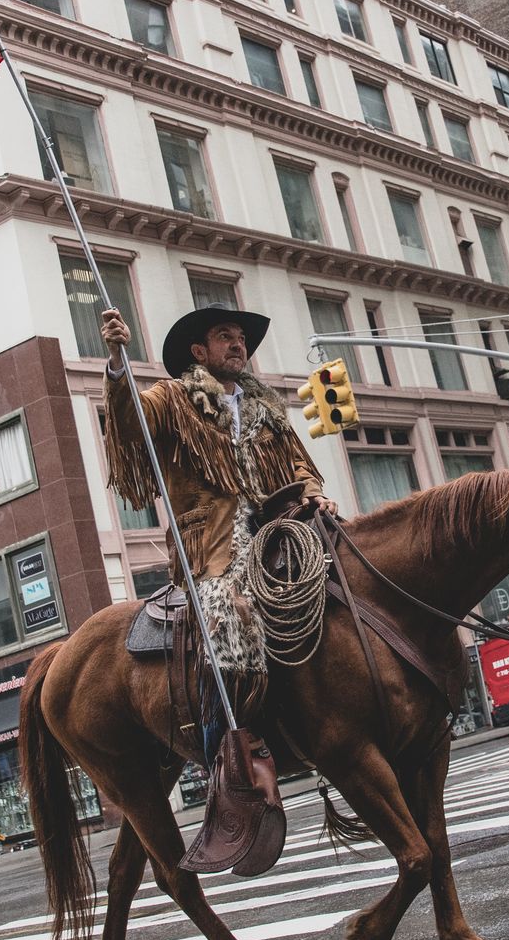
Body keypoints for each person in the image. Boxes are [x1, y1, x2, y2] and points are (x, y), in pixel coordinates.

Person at [98, 303, 339, 744]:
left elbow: (297, 466)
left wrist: (313, 494)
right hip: (212, 542)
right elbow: (129, 421)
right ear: (199, 350)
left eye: (242, 339)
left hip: (276, 524)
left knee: (339, 571)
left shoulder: (264, 406)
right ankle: (226, 747)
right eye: (226, 336)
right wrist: (117, 363)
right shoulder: (172, 398)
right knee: (229, 617)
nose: (238, 344)